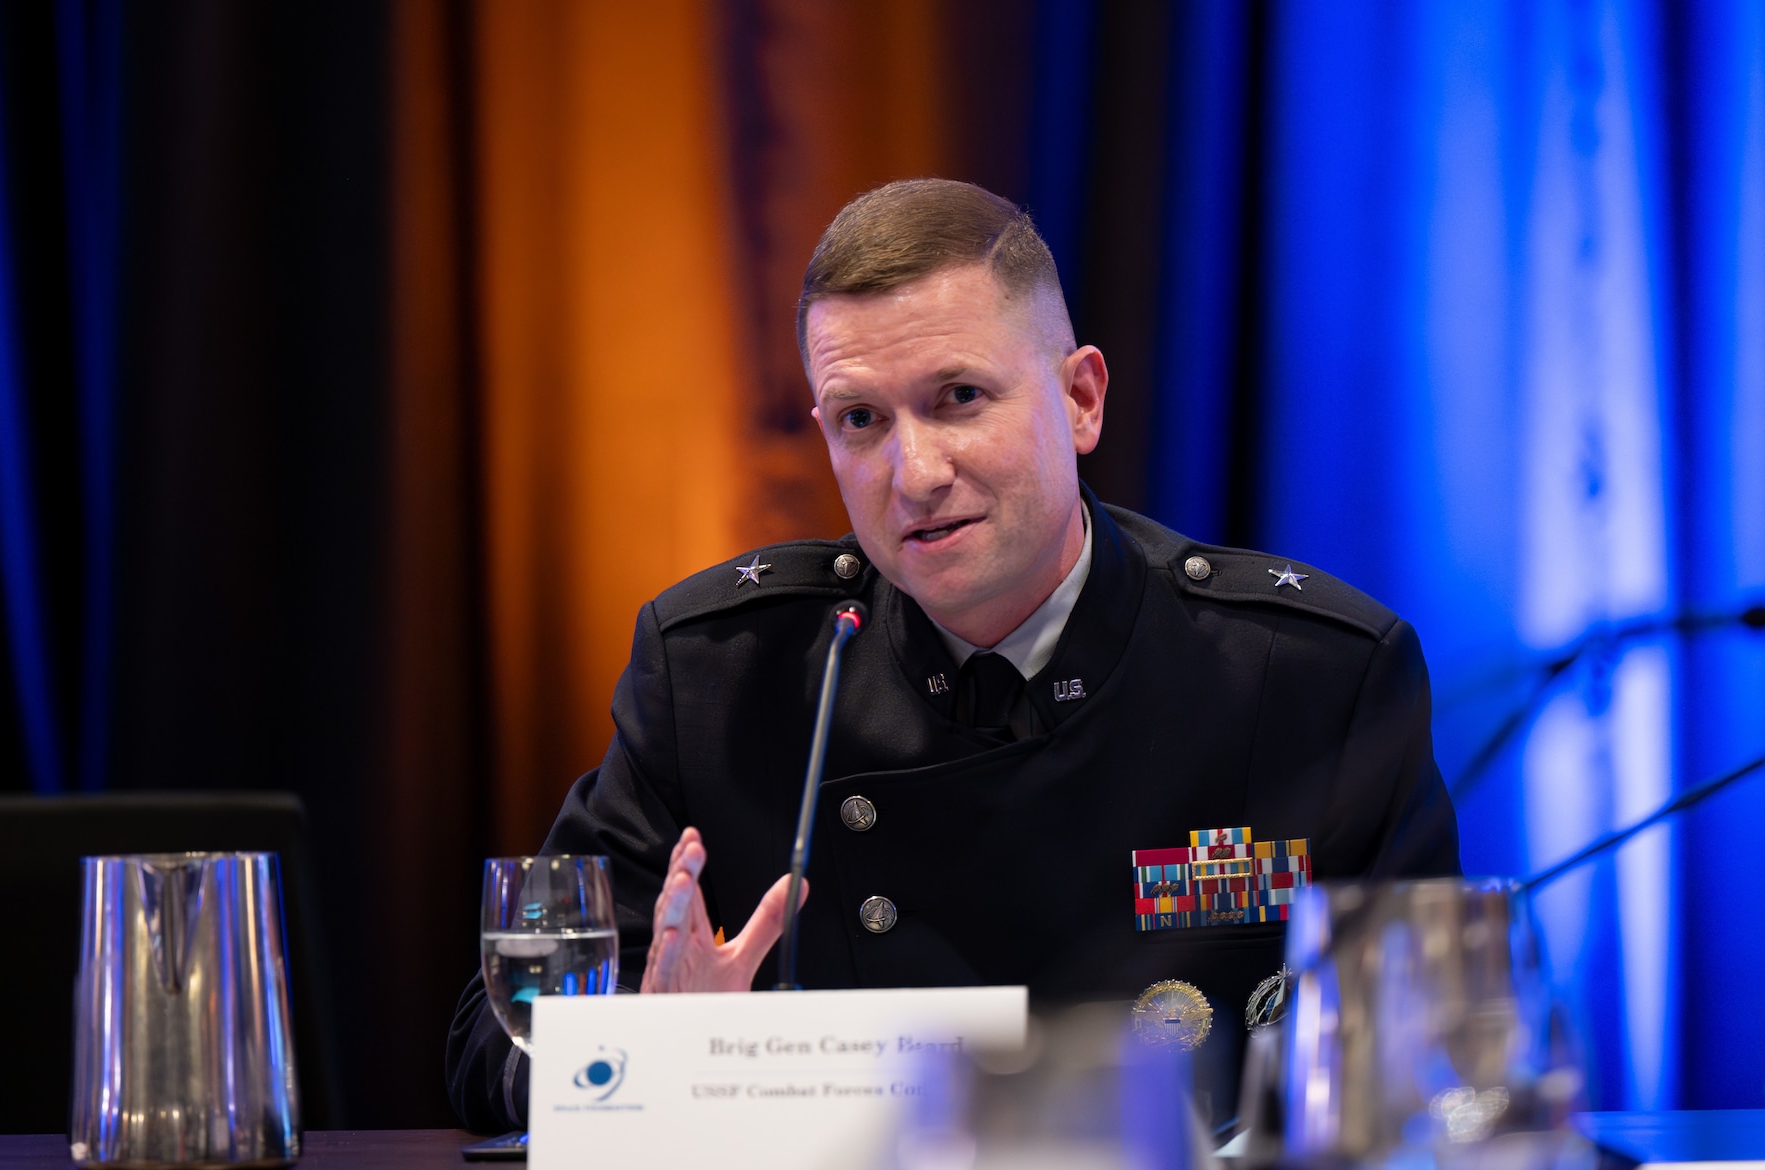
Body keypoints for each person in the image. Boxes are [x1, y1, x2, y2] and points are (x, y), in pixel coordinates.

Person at [446, 179, 1459, 1132]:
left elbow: (1424, 1074)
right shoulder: (720, 678)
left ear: (1079, 399)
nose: (913, 472)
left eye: (959, 397)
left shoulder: (1308, 679)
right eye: (860, 420)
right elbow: (490, 1043)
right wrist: (651, 1050)